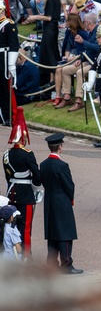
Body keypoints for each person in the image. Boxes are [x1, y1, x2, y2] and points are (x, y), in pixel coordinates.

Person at [40, 133, 82, 274]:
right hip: (61, 201)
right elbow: (69, 185)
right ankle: (66, 264)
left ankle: (52, 263)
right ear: (60, 147)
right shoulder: (62, 165)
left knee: (52, 234)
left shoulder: (43, 164)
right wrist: (70, 198)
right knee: (65, 233)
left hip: (49, 200)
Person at [3, 108, 40, 257]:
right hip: (26, 195)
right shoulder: (28, 154)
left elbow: (7, 176)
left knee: (11, 225)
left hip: (11, 193)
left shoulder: (6, 154)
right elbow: (37, 176)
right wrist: (35, 183)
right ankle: (25, 256)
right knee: (25, 228)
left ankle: (13, 255)